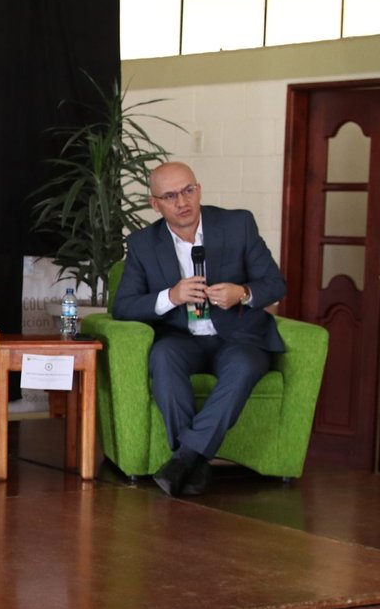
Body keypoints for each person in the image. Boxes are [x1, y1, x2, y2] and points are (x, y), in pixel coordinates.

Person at [113, 161, 287, 497]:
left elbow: (275, 284)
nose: (183, 202)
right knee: (163, 357)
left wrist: (243, 293)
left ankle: (185, 459)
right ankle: (194, 462)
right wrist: (171, 296)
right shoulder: (143, 244)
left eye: (188, 190)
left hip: (239, 338)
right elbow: (124, 306)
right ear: (155, 204)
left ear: (199, 189)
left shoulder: (238, 224)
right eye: (170, 196)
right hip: (182, 339)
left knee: (245, 365)